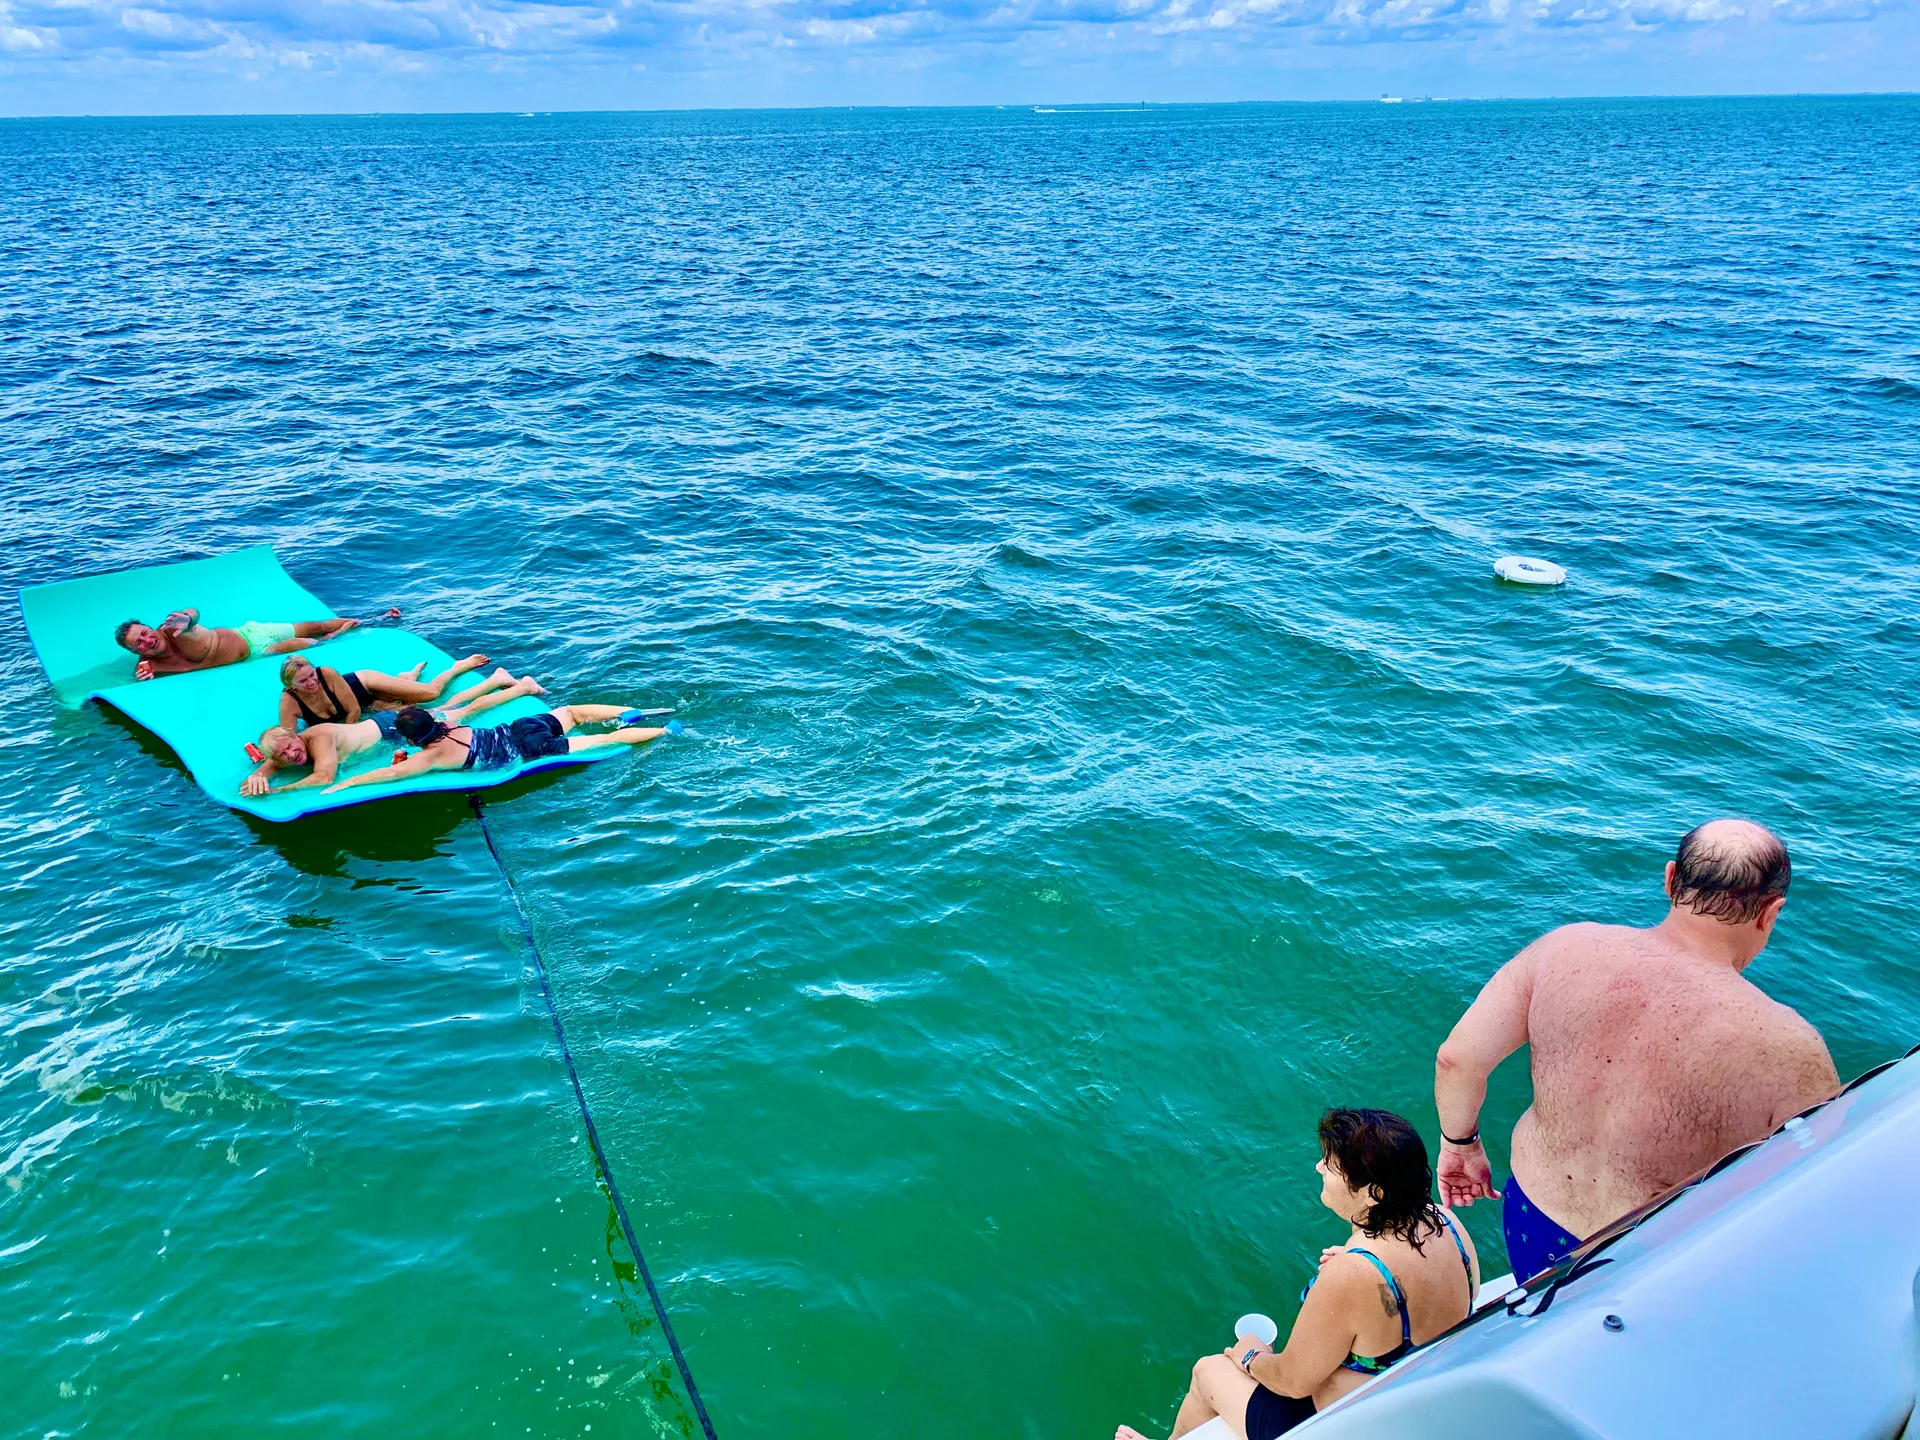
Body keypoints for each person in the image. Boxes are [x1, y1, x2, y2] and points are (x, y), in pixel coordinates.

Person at [1433, 818, 1840, 1285]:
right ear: (1771, 911)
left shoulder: (1564, 949)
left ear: (1669, 879)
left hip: (1532, 1216)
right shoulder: (1790, 1046)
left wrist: (1460, 1145)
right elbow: (1814, 1192)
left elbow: (1457, 1059)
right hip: (1650, 1260)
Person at [1116, 1109, 1477, 1440]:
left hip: (1342, 1424)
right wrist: (1361, 1273)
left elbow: (1293, 1382)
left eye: (1332, 1165)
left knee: (1208, 1372)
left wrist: (1250, 1356)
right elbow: (1410, 1290)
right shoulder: (1446, 1222)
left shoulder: (1353, 1274)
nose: (1320, 1168)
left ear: (1374, 1194)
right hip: (1406, 1402)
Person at [241, 672, 549, 795]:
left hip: (390, 728)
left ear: (297, 736)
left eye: (291, 748)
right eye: (284, 756)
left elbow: (324, 777)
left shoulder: (318, 739)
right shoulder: (286, 749)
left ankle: (520, 685)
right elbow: (272, 762)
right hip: (382, 726)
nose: (292, 755)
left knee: (460, 712)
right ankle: (503, 681)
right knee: (453, 707)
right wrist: (258, 777)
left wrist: (277, 791)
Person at [320, 701, 669, 794]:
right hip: (520, 726)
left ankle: (664, 732)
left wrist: (348, 781)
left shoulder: (432, 756)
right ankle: (626, 713)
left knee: (604, 741)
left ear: (411, 740)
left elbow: (390, 773)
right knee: (575, 712)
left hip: (530, 746)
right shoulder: (449, 723)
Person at [116, 609, 358, 680]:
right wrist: (145, 683)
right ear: (134, 651)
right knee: (308, 644)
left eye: (146, 632)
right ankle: (335, 636)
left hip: (252, 633)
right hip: (255, 656)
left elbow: (193, 613)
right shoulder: (149, 668)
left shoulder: (173, 628)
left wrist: (188, 619)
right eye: (139, 642)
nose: (148, 640)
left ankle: (364, 621)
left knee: (317, 626)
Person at [278, 652, 491, 731]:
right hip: (366, 705)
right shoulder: (290, 701)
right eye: (303, 681)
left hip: (364, 684)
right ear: (291, 686)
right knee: (411, 709)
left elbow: (352, 711)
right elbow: (287, 735)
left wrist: (345, 738)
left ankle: (457, 667)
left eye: (311, 675)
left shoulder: (326, 673)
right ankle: (405, 678)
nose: (312, 682)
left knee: (431, 694)